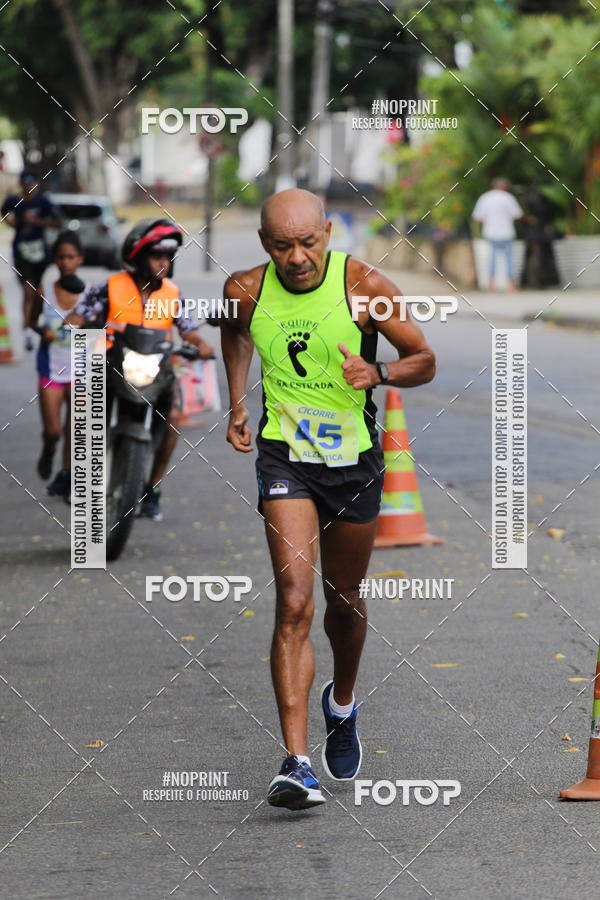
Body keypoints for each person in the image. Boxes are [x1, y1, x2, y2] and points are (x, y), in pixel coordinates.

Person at [221, 188, 435, 810]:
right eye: (283, 246)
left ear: (328, 234)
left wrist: (380, 373)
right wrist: (238, 399)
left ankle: (341, 703)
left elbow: (423, 357)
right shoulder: (245, 290)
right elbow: (234, 335)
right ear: (265, 244)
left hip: (355, 462)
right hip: (285, 456)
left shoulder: (364, 285)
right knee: (294, 599)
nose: (297, 258)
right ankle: (296, 762)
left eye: (308, 243)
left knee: (344, 600)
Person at [66, 217, 214, 521]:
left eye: (167, 258)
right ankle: (79, 477)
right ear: (138, 258)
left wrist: (202, 344)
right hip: (110, 365)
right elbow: (77, 317)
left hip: (155, 371)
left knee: (173, 418)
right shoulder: (110, 287)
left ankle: (153, 487)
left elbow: (188, 329)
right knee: (84, 407)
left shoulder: (172, 293)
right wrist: (88, 324)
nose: (163, 263)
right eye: (156, 256)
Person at [30, 231, 85, 498]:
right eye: (61, 257)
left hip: (80, 370)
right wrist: (43, 333)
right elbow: (31, 323)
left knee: (74, 427)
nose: (65, 262)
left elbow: (105, 326)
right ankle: (49, 449)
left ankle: (66, 475)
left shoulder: (90, 296)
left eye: (71, 257)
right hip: (50, 369)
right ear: (55, 260)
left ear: (80, 260)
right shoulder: (44, 292)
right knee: (53, 430)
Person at [1, 170, 61, 351]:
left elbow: (58, 222)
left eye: (31, 181)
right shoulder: (13, 201)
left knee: (37, 292)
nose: (28, 186)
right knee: (27, 290)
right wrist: (11, 221)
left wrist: (38, 221)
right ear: (21, 184)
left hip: (40, 254)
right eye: (25, 182)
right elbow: (4, 214)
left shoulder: (43, 202)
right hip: (21, 253)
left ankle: (33, 322)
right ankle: (27, 333)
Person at [472, 177, 524, 292]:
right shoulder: (509, 198)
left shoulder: (485, 198)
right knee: (509, 259)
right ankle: (511, 285)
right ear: (505, 187)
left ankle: (491, 285)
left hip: (491, 233)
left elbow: (478, 217)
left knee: (492, 258)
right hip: (507, 232)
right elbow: (518, 215)